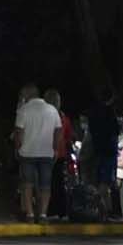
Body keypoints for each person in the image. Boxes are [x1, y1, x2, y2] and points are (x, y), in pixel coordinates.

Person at [14, 84, 61, 220]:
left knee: (27, 183)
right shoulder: (52, 110)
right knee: (45, 185)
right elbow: (58, 130)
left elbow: (19, 131)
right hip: (47, 152)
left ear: (27, 95)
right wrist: (55, 148)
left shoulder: (24, 110)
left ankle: (29, 213)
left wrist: (17, 148)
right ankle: (43, 213)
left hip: (27, 152)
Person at [44, 89, 74, 220]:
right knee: (59, 183)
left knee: (47, 183)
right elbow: (69, 137)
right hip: (61, 154)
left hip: (47, 152)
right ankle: (62, 211)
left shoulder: (45, 116)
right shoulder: (64, 118)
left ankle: (50, 210)